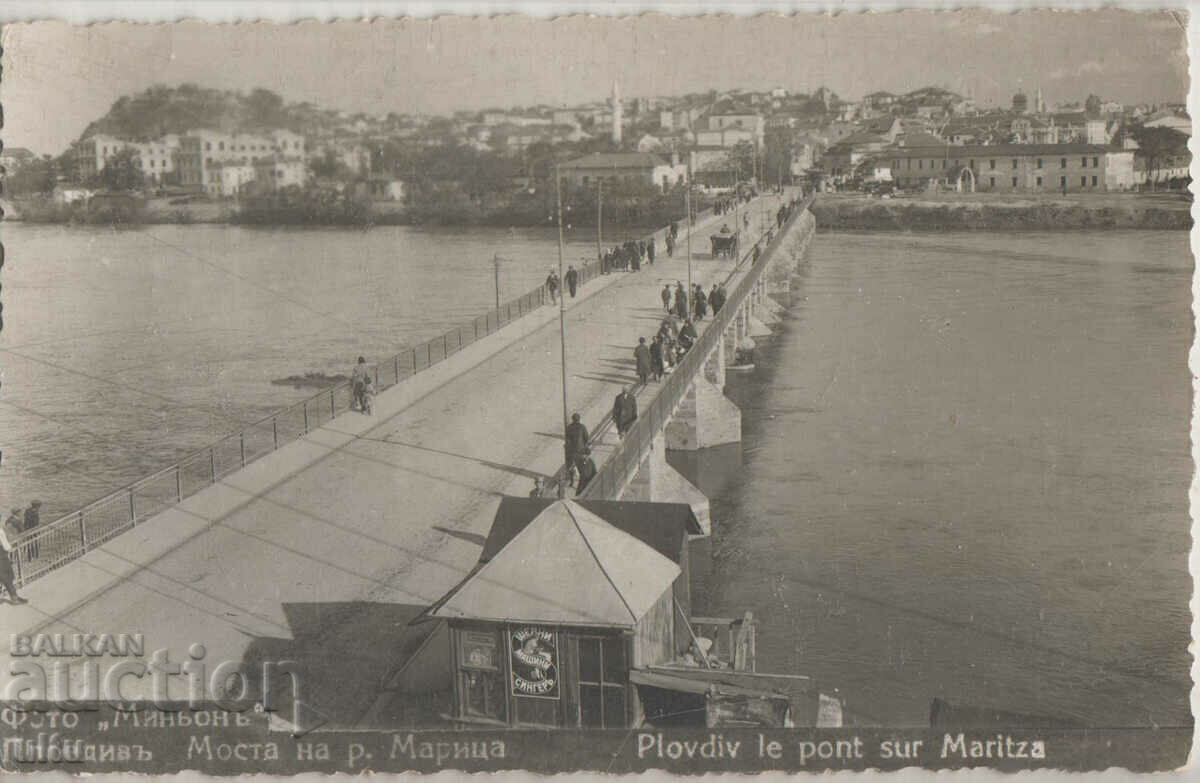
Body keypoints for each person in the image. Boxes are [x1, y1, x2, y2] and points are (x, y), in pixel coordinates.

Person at [0, 523, 27, 604]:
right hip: (1, 556)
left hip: (3, 555)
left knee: (7, 577)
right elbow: (4, 543)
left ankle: (14, 597)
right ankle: (14, 598)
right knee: (6, 577)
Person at [564, 412, 589, 482]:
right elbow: (586, 437)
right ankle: (583, 479)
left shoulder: (569, 427)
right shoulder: (582, 427)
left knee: (571, 465)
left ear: (572, 419)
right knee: (582, 465)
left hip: (571, 451)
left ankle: (571, 480)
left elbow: (567, 439)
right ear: (579, 419)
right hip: (581, 450)